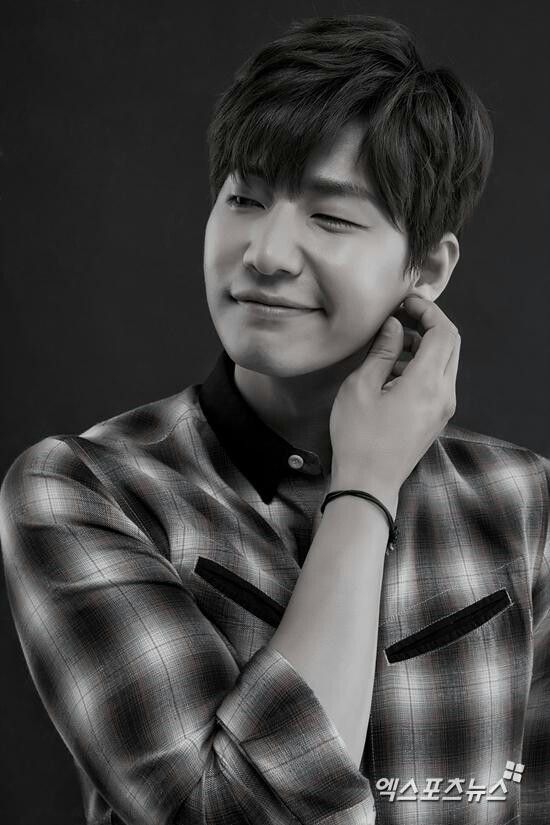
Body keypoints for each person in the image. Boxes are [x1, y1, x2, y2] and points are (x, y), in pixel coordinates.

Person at [1, 14, 548, 825]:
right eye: (245, 199)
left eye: (331, 217)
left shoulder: (524, 501)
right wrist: (364, 489)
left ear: (427, 267)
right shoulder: (88, 491)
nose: (264, 253)